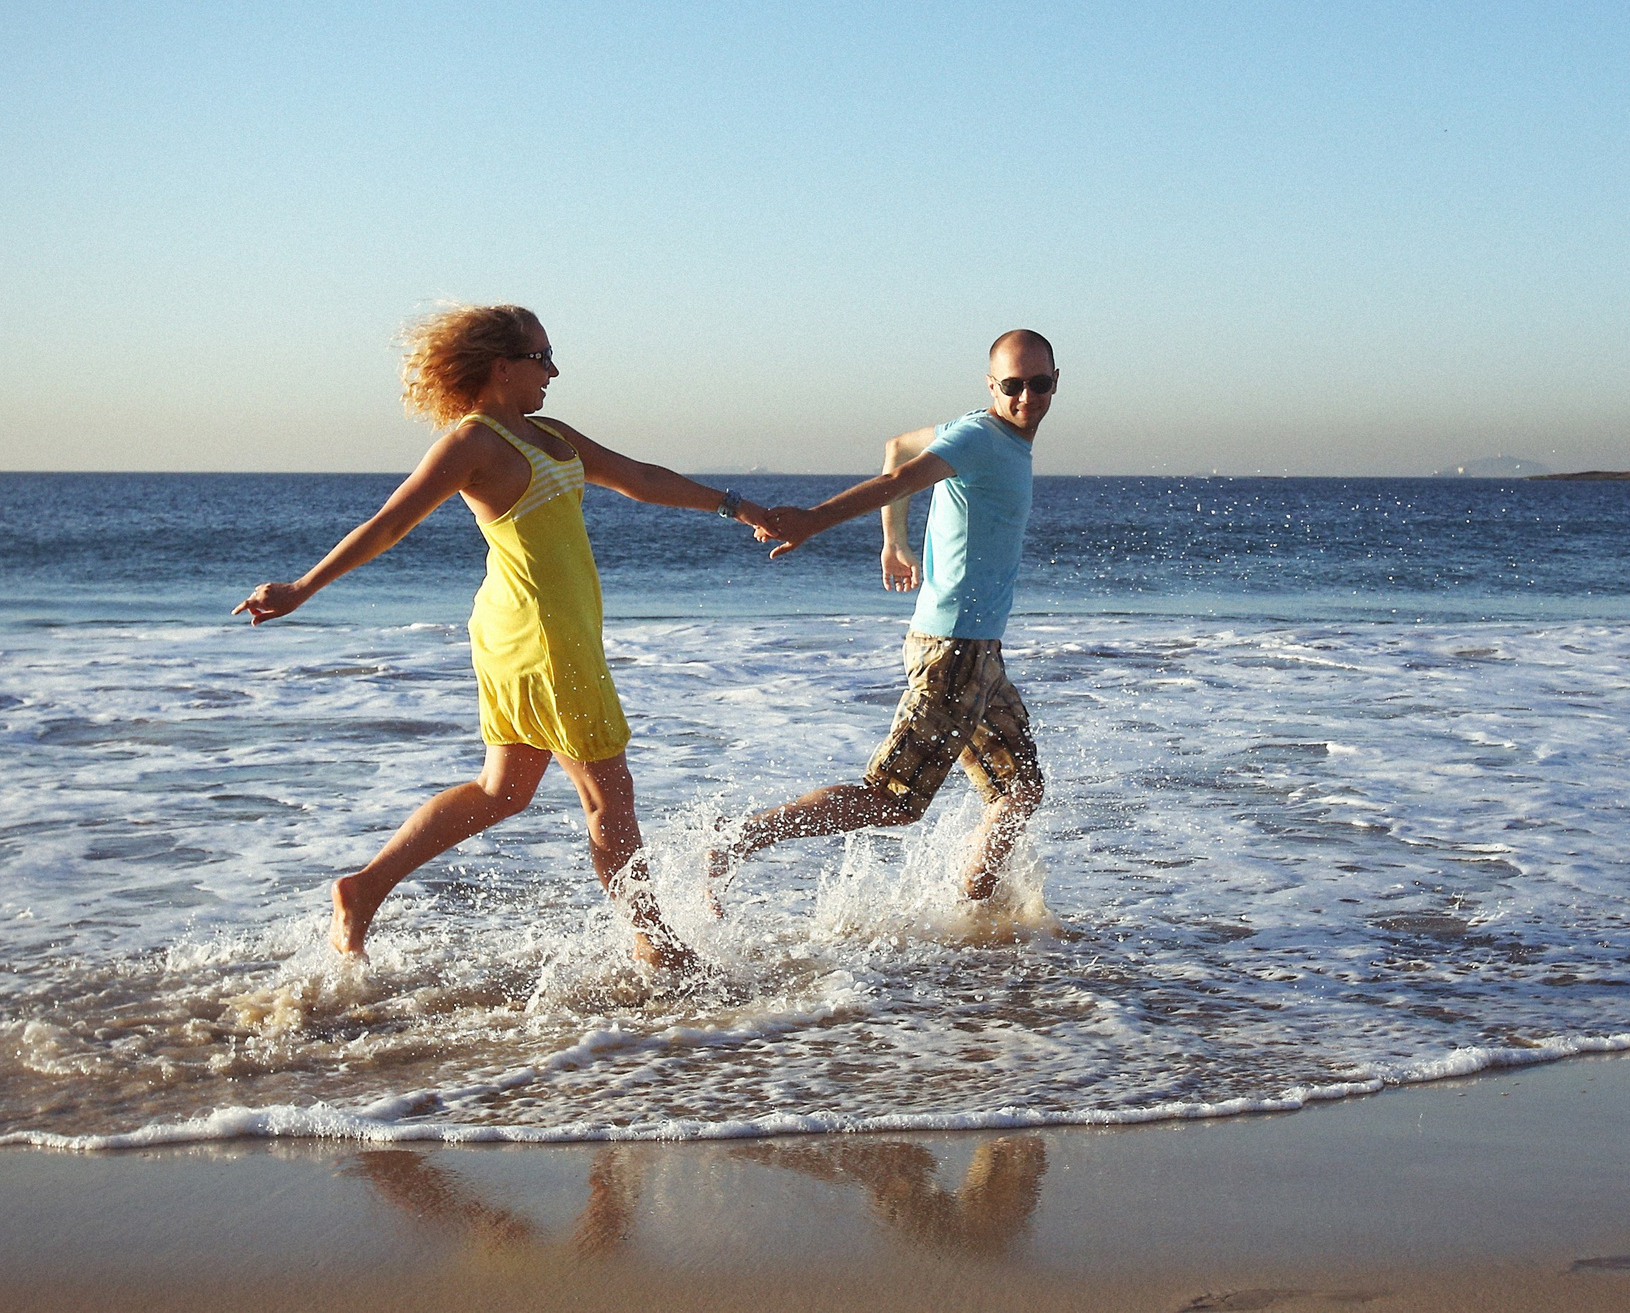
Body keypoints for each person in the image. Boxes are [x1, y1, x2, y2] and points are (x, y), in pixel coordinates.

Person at [235, 303, 770, 974]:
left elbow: (640, 478)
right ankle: (655, 943)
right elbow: (389, 524)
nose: (554, 370)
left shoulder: (549, 432)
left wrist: (738, 505)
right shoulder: (473, 443)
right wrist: (302, 587)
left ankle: (363, 887)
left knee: (504, 790)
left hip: (549, 629)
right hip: (538, 635)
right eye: (542, 358)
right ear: (502, 367)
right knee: (609, 792)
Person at [711, 330, 1056, 905]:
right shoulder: (976, 434)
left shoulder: (975, 432)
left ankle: (977, 915)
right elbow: (896, 477)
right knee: (894, 800)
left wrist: (894, 542)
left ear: (1054, 382)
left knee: (1019, 788)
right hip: (953, 650)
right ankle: (739, 838)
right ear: (992, 386)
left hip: (978, 653)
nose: (1026, 398)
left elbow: (896, 445)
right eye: (1013, 386)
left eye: (1038, 384)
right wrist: (810, 522)